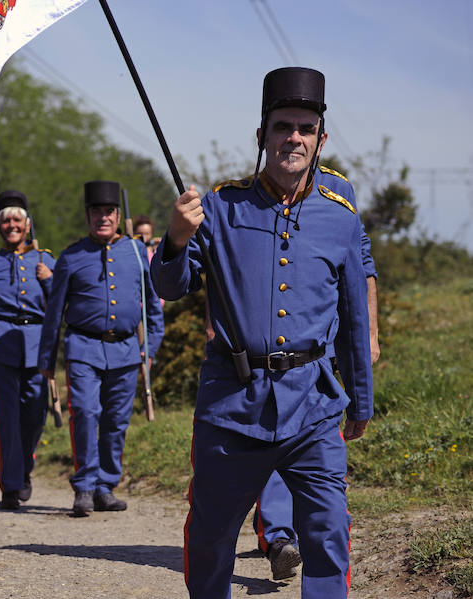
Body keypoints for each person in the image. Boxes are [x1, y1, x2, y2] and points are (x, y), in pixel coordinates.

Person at [150, 67, 373, 598]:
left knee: (327, 531)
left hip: (314, 407)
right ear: (262, 136)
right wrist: (177, 237)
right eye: (281, 127)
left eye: (304, 128)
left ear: (321, 139)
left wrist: (360, 400)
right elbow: (171, 284)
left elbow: (354, 318)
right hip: (232, 406)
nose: (292, 138)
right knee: (211, 535)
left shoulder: (340, 218)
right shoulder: (222, 208)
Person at [250, 163, 382, 581]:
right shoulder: (259, 185)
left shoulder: (338, 188)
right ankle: (279, 538)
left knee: (318, 450)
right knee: (270, 437)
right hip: (276, 351)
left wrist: (370, 333)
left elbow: (363, 265)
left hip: (325, 347)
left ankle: (311, 535)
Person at [38, 180, 164, 517]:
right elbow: (54, 312)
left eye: (108, 211)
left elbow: (153, 306)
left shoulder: (138, 253)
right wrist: (47, 359)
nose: (102, 217)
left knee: (116, 421)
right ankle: (84, 486)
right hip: (83, 348)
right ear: (87, 216)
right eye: (96, 212)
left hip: (125, 350)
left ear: (119, 215)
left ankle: (106, 486)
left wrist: (150, 348)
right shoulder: (71, 256)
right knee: (85, 413)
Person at [0, 190, 55, 510]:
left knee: (35, 416)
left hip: (37, 344)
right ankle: (10, 485)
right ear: (0, 226)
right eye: (6, 220)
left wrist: (49, 281)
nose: (11, 225)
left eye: (17, 219)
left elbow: (61, 306)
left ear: (28, 224)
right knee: (6, 420)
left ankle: (24, 468)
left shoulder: (46, 260)